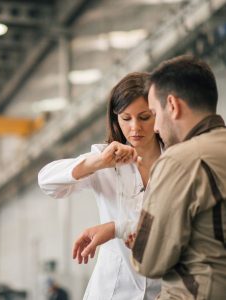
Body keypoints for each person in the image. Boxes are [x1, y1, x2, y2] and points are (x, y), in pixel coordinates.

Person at [75, 55, 226, 299]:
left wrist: (124, 231)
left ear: (173, 106)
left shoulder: (178, 162)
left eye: (151, 114)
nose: (151, 127)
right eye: (126, 118)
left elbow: (150, 259)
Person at [38, 72, 161, 300]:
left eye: (145, 117)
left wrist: (115, 228)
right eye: (126, 118)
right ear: (116, 119)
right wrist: (99, 162)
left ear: (159, 114)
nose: (135, 128)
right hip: (111, 291)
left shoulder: (176, 162)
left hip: (162, 290)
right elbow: (47, 182)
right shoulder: (104, 161)